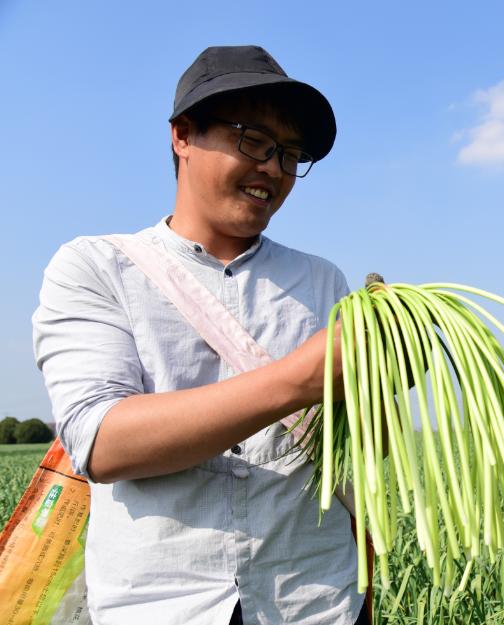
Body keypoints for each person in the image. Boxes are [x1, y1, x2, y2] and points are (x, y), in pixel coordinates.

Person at [32, 46, 365, 625]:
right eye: (254, 141)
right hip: (162, 606)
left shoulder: (321, 280)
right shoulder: (96, 266)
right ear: (183, 135)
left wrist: (379, 385)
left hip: (315, 599)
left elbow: (349, 450)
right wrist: (300, 379)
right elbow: (102, 442)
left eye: (290, 154)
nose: (274, 168)